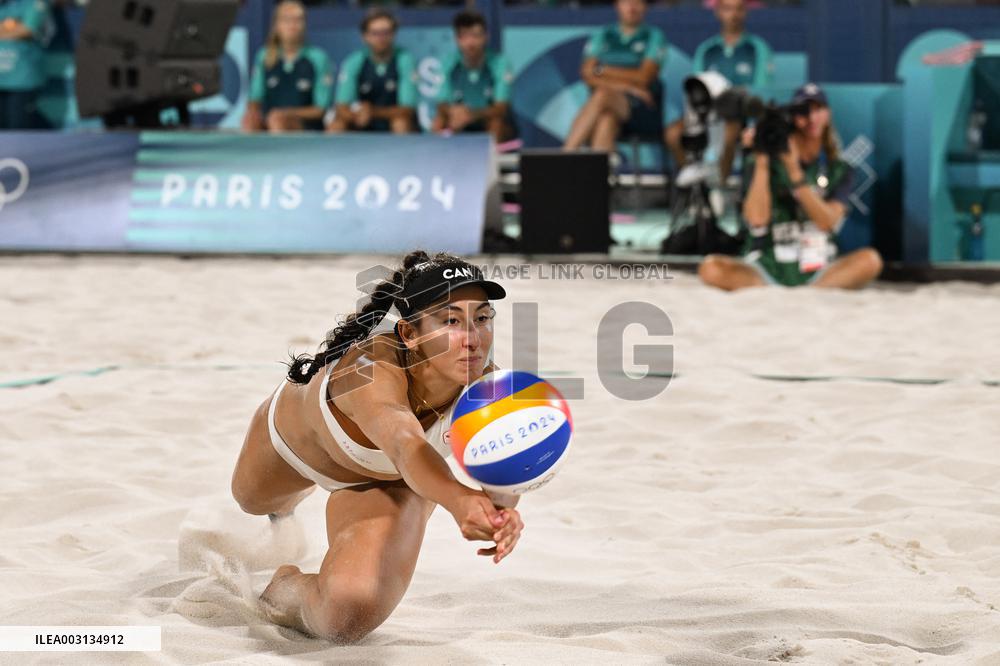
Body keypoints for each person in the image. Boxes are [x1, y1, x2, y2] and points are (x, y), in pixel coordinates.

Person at [231, 251, 525, 642]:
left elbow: (502, 471)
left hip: (392, 481)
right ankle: (284, 509)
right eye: (450, 320)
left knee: (345, 619)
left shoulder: (491, 389)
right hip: (296, 449)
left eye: (482, 318)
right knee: (251, 501)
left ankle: (284, 588)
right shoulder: (369, 371)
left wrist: (501, 511)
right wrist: (459, 500)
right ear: (409, 334)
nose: (472, 339)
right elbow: (404, 444)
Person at [698, 83, 883, 290]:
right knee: (711, 268)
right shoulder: (762, 162)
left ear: (828, 114)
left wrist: (794, 173)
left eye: (818, 109)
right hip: (767, 266)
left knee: (870, 260)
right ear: (793, 119)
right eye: (804, 112)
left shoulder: (839, 169)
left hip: (819, 267)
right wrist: (761, 161)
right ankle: (783, 289)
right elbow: (757, 220)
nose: (811, 118)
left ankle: (812, 290)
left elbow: (827, 222)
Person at [665, 0, 773, 181]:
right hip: (707, 114)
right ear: (718, 12)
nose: (733, 15)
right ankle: (698, 178)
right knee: (673, 133)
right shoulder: (706, 50)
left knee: (729, 130)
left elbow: (759, 91)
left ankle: (718, 185)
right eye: (728, 9)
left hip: (740, 115)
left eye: (739, 9)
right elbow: (696, 88)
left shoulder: (758, 48)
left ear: (745, 12)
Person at [562, 0, 667, 152]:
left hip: (642, 109)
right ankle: (598, 173)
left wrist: (602, 70)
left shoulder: (654, 36)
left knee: (602, 95)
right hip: (615, 104)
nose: (631, 8)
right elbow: (586, 74)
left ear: (645, 7)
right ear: (617, 5)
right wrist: (629, 86)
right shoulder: (603, 34)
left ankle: (566, 154)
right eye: (626, 2)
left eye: (637, 3)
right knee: (607, 119)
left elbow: (644, 77)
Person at [242, 0, 333, 133]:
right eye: (286, 20)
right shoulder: (264, 57)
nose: (293, 25)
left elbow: (320, 109)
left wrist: (285, 114)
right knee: (249, 120)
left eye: (298, 20)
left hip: (306, 125)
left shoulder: (318, 58)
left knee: (277, 120)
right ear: (276, 25)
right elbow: (254, 99)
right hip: (270, 120)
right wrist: (253, 114)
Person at [327, 8, 417, 134]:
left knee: (400, 123)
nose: (381, 38)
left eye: (386, 32)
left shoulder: (405, 60)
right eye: (375, 33)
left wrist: (373, 112)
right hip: (363, 122)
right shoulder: (354, 61)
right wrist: (356, 115)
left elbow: (408, 109)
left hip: (392, 121)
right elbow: (341, 106)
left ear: (394, 34)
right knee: (336, 125)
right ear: (364, 36)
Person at [432, 10, 515, 143]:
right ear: (457, 39)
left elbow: (501, 108)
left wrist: (471, 114)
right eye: (464, 36)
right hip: (457, 120)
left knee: (496, 122)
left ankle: (492, 162)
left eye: (476, 36)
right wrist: (452, 111)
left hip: (486, 120)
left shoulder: (500, 63)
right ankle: (436, 161)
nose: (471, 43)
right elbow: (441, 103)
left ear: (486, 36)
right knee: (438, 122)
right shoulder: (447, 62)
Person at [0, 0, 52, 129]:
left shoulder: (33, 3)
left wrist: (15, 28)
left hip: (22, 79)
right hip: (2, 79)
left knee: (18, 130)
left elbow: (28, 28)